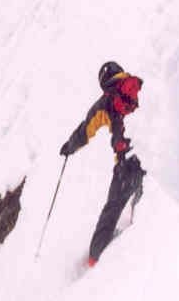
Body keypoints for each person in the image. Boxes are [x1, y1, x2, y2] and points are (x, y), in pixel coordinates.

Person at [60, 61, 146, 267]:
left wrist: (69, 147)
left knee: (112, 209)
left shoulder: (105, 103)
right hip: (151, 156)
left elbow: (85, 131)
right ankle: (143, 233)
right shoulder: (141, 84)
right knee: (142, 200)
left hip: (126, 164)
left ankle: (95, 257)